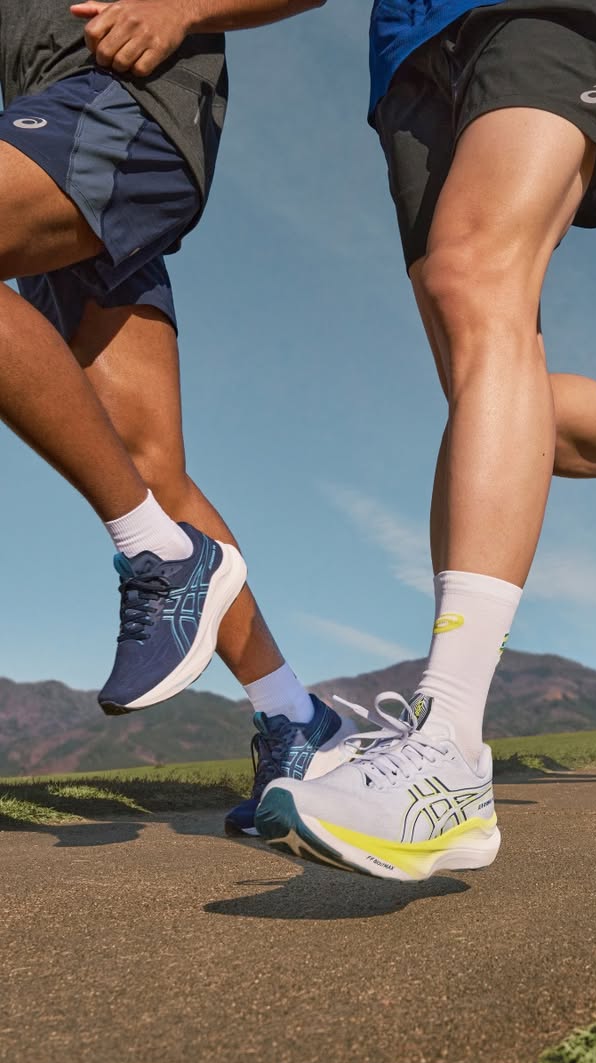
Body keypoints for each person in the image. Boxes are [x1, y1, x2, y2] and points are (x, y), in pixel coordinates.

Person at [235, 0, 596, 882]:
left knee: (476, 275)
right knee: (488, 393)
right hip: (409, 47)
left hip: (542, 9)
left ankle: (450, 744)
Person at [0, 2, 353, 832]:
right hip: (47, 135)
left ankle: (158, 554)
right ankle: (296, 720)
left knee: (146, 502)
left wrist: (181, 7)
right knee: (145, 462)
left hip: (113, 106)